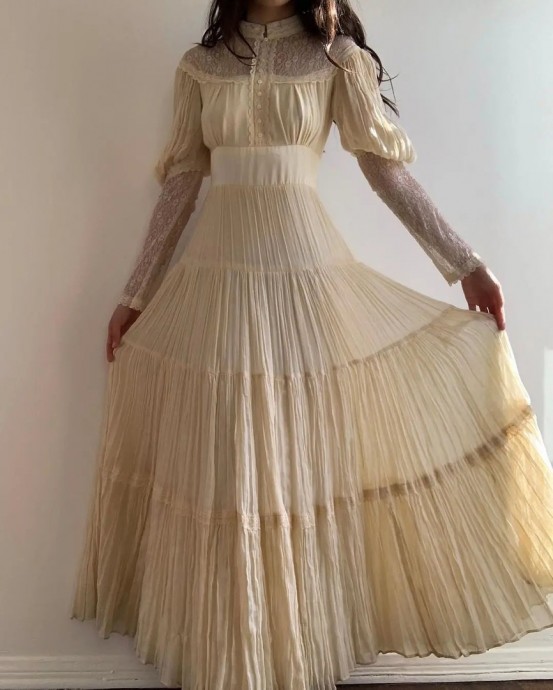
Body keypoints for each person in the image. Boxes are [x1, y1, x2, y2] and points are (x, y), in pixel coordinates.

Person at [70, 1, 553, 688]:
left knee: (295, 461)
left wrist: (465, 263)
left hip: (304, 274)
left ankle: (291, 656)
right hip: (217, 281)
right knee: (227, 460)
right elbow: (181, 186)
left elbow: (384, 170)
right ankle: (231, 659)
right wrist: (134, 294)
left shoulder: (335, 59)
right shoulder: (200, 66)